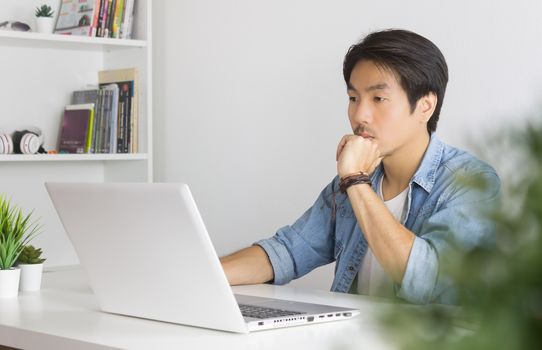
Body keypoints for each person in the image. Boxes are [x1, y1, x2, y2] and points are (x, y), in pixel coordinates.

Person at [220, 29, 500, 304]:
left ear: (425, 106)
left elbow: (429, 280)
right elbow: (288, 251)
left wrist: (355, 181)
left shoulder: (471, 182)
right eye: (353, 98)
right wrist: (198, 275)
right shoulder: (353, 182)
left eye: (378, 99)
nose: (359, 114)